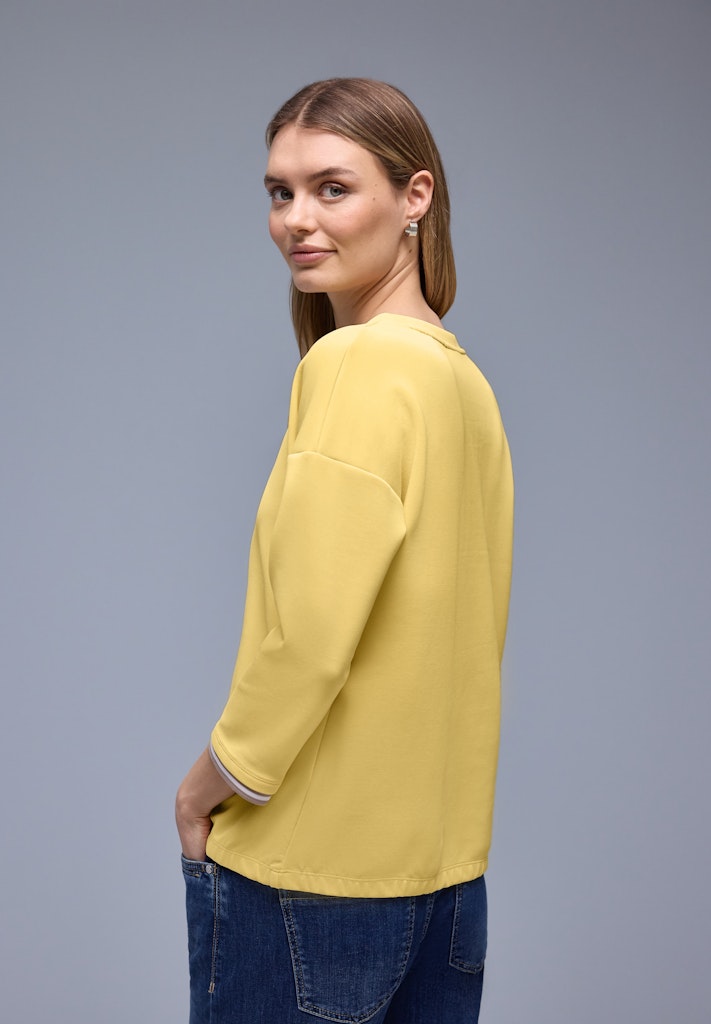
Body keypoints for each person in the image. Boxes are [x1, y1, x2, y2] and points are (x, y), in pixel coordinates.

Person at [176, 77, 514, 1024]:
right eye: (279, 192)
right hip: (444, 884)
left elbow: (311, 639)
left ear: (415, 196)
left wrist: (209, 784)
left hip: (310, 877)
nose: (296, 219)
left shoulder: (356, 363)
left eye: (332, 188)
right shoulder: (460, 381)